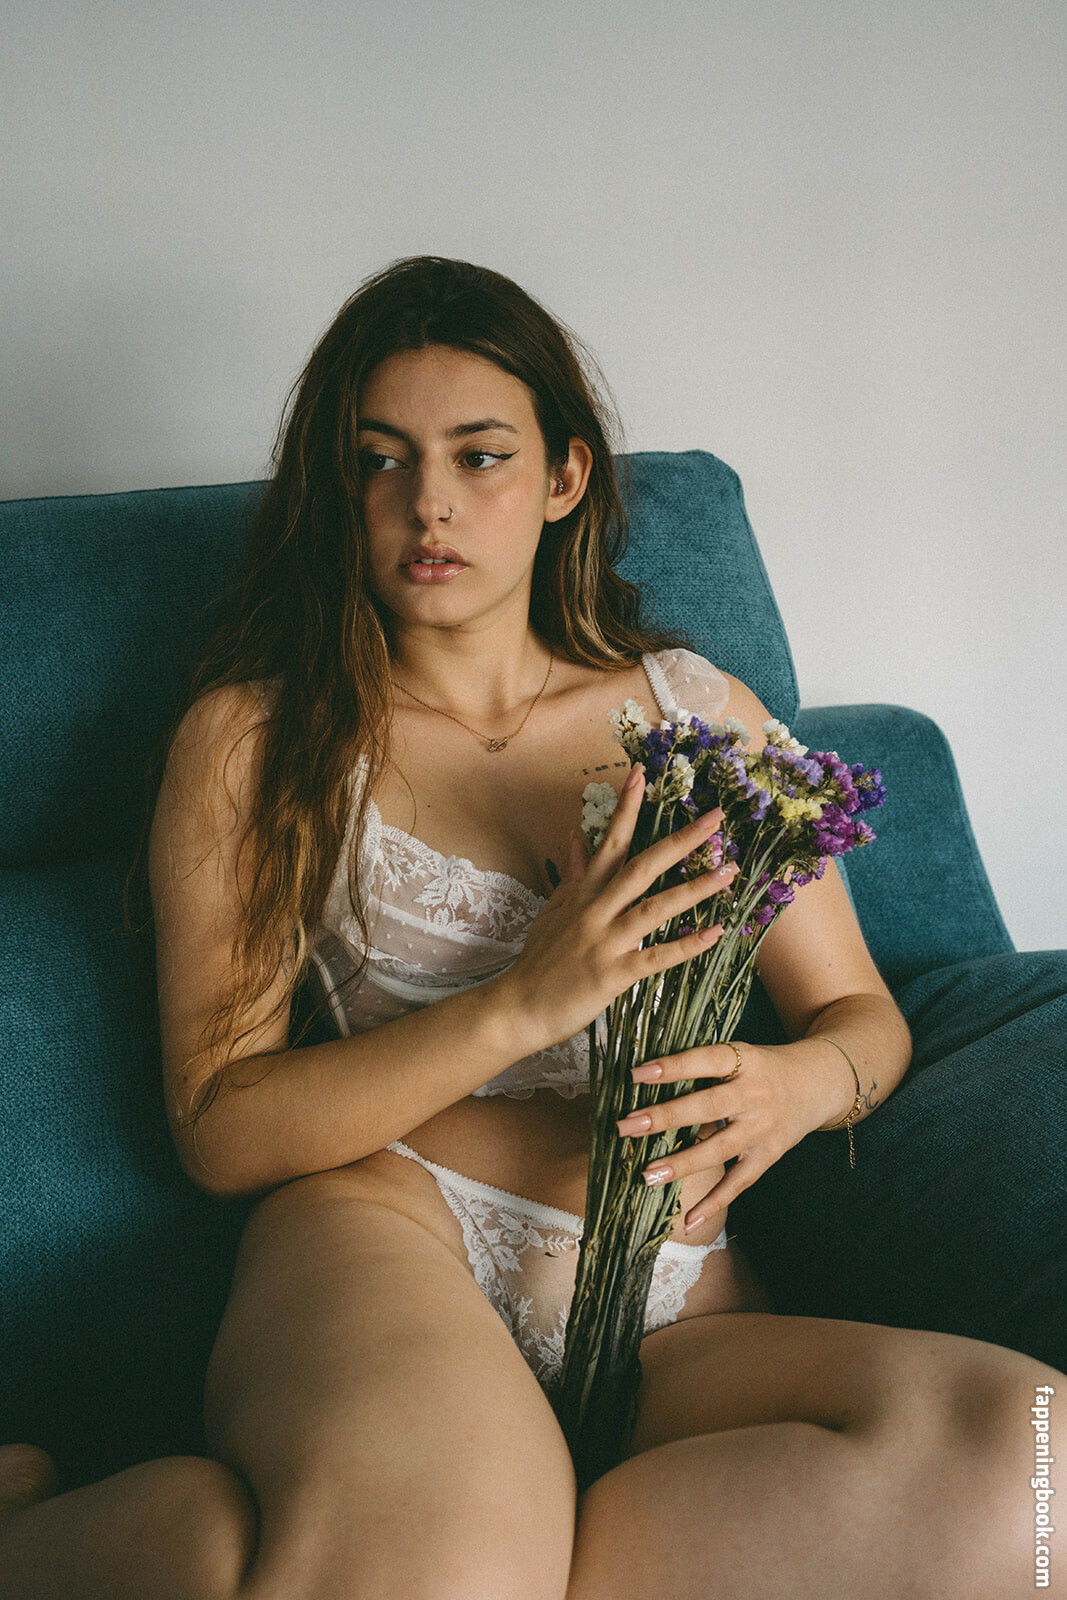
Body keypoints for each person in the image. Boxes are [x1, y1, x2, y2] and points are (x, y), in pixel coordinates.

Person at [0, 256, 1060, 1599]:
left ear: (565, 477)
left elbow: (863, 1021)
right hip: (396, 1234)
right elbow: (221, 1126)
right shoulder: (261, 737)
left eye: (478, 454)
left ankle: (215, 1551)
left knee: (1029, 1461)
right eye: (379, 460)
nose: (427, 502)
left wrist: (800, 1083)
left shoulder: (695, 715)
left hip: (674, 1294)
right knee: (449, 1568)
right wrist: (522, 999)